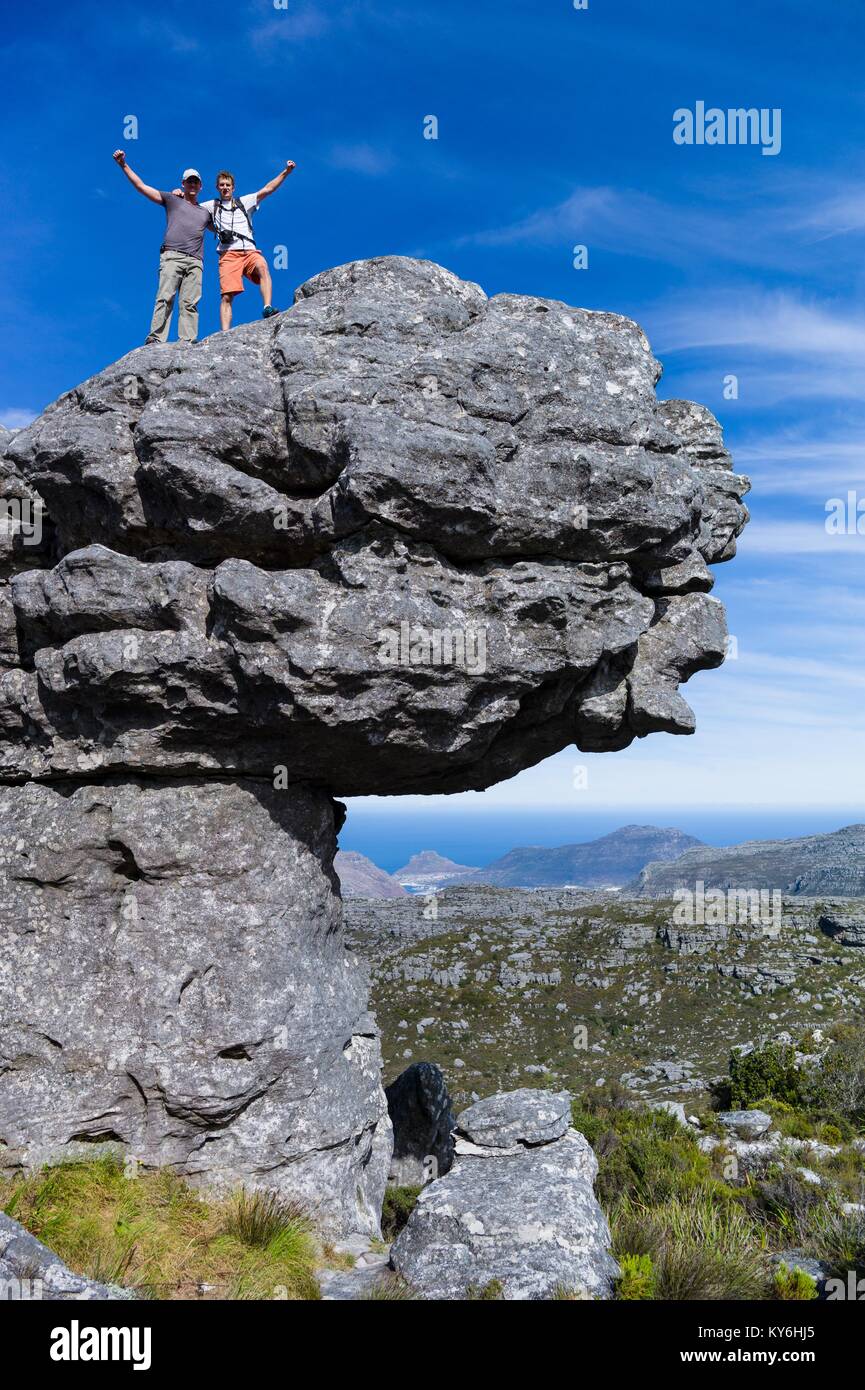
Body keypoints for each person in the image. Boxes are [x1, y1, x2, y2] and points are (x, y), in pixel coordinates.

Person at [112, 152, 213, 344]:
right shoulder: (172, 199)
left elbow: (225, 225)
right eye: (189, 181)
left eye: (195, 182)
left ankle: (188, 341)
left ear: (200, 186)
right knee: (165, 297)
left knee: (190, 303)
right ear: (183, 184)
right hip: (172, 256)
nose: (192, 185)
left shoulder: (205, 213)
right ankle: (156, 339)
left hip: (195, 261)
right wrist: (124, 165)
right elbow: (142, 187)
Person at [199, 163, 296, 330]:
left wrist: (286, 172)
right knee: (227, 296)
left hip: (249, 250)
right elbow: (191, 209)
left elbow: (268, 189)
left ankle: (267, 307)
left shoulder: (244, 201)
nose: (225, 188)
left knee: (262, 266)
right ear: (217, 187)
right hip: (228, 254)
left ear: (233, 188)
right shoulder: (211, 206)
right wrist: (180, 196)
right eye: (221, 185)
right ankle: (225, 333)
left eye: (227, 185)